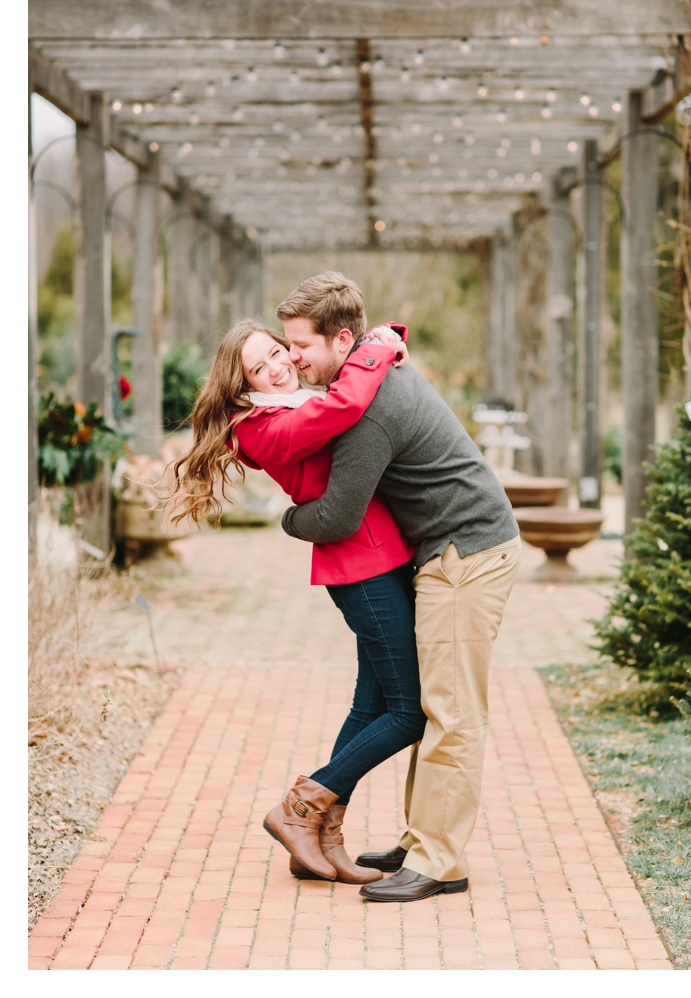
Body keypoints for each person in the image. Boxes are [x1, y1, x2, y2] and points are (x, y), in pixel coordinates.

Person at [274, 272, 521, 904]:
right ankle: (422, 841)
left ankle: (440, 861)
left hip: (466, 551)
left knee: (452, 713)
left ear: (343, 340)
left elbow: (336, 517)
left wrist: (287, 518)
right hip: (446, 551)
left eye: (301, 345)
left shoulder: (367, 411)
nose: (293, 357)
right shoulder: (367, 375)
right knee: (437, 706)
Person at [167, 316, 420, 885]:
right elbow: (344, 408)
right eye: (260, 366)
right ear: (240, 383)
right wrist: (376, 346)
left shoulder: (293, 400)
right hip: (363, 567)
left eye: (279, 352)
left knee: (371, 706)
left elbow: (342, 389)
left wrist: (377, 333)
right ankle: (298, 810)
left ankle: (321, 836)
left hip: (379, 557)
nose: (279, 366)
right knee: (408, 712)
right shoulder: (261, 425)